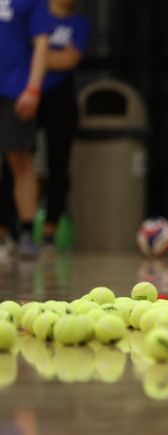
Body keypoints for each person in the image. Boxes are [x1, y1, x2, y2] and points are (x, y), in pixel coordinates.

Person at [37, 0, 89, 249]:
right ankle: (11, 229)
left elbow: (69, 60)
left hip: (62, 97)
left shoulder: (78, 23)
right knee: (18, 161)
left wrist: (37, 54)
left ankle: (50, 233)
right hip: (28, 94)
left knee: (58, 164)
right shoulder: (35, 15)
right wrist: (46, 56)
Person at [0, 0, 50, 258]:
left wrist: (33, 88)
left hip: (15, 91)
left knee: (20, 159)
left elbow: (42, 44)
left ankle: (27, 231)